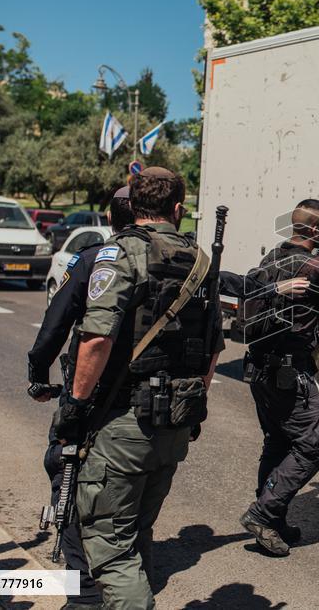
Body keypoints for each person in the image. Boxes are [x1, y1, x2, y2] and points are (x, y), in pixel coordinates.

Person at [55, 167, 223, 608]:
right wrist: (192, 405)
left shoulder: (120, 254)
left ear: (133, 206)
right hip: (175, 425)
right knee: (135, 533)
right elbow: (212, 350)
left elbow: (96, 339)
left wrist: (74, 407)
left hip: (122, 423)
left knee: (110, 551)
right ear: (178, 209)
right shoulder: (202, 261)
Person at [26, 186, 134, 610]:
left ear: (110, 220)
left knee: (67, 476)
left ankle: (83, 592)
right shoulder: (176, 262)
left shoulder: (93, 260)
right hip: (153, 405)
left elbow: (54, 327)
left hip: (92, 397)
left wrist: (38, 376)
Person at [227, 199, 319, 556]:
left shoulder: (270, 259)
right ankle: (263, 513)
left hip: (259, 369)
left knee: (279, 442)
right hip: (290, 372)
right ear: (315, 230)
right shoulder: (318, 265)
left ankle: (274, 518)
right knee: (314, 446)